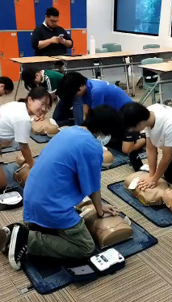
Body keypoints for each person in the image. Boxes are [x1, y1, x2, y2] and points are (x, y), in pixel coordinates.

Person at [0, 126, 118, 270]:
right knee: (86, 247)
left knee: (60, 219)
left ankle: (15, 230)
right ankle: (26, 238)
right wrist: (99, 210)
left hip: (32, 198)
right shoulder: (93, 147)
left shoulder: (70, 131)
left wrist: (96, 206)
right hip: (51, 205)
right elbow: (93, 185)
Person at [57, 72, 146, 156]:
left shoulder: (96, 91)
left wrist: (89, 136)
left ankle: (144, 138)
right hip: (115, 117)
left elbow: (97, 119)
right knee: (108, 140)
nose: (75, 97)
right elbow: (86, 113)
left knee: (126, 150)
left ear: (80, 87)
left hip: (129, 116)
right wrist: (84, 130)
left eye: (74, 94)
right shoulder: (84, 89)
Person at [119, 102, 172, 192]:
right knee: (170, 176)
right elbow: (150, 148)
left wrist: (154, 180)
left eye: (132, 129)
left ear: (139, 124)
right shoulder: (149, 114)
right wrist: (151, 175)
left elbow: (166, 157)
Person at [0, 87, 52, 190]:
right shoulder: (23, 119)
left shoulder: (18, 105)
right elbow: (24, 147)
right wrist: (34, 166)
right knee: (2, 184)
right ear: (30, 100)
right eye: (42, 104)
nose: (44, 109)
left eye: (47, 107)